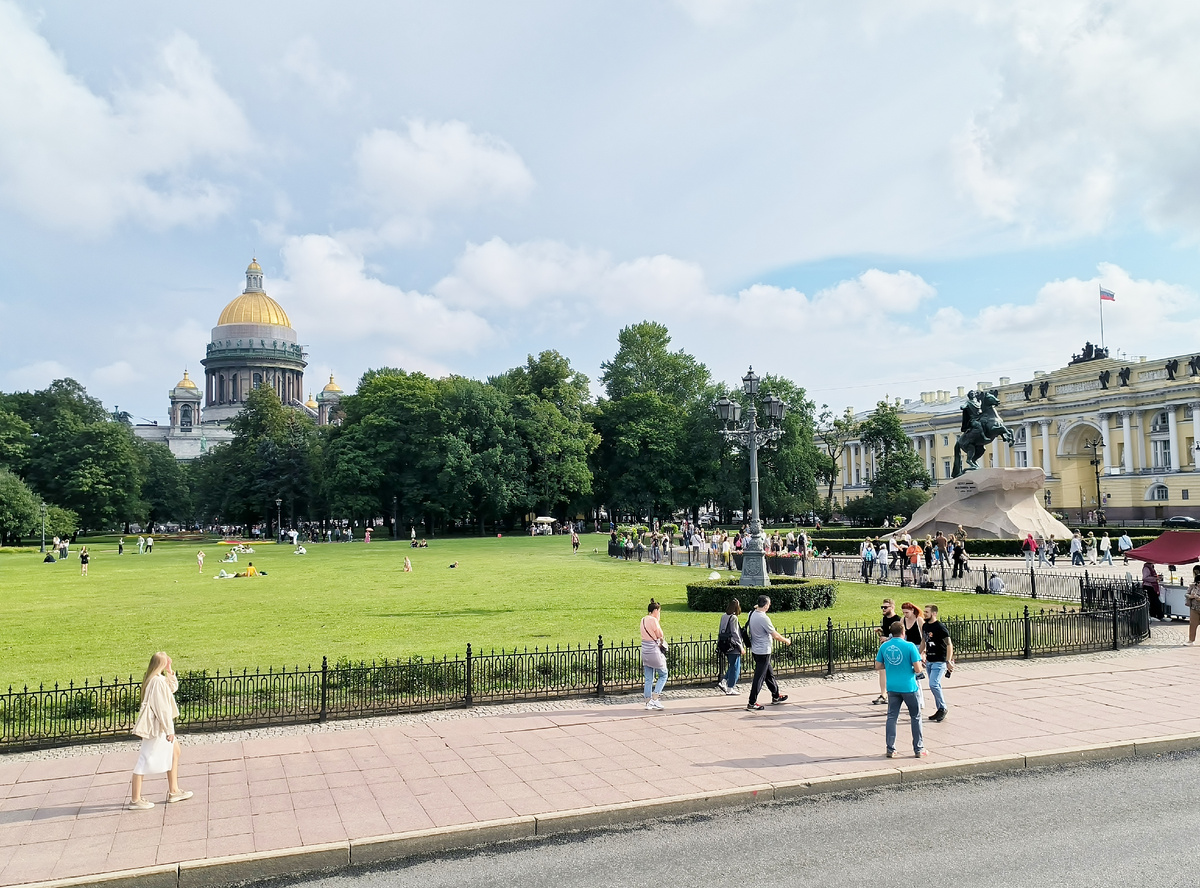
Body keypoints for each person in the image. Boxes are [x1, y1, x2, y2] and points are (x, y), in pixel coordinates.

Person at [128, 652, 192, 809]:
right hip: (158, 729)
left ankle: (174, 791)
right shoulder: (156, 682)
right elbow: (162, 708)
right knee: (144, 760)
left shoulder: (157, 679)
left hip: (160, 727)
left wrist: (170, 670)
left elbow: (172, 688)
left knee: (175, 752)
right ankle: (135, 799)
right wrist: (170, 730)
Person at [875, 622, 926, 759]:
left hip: (892, 686)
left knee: (892, 717)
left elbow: (878, 665)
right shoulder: (909, 646)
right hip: (909, 686)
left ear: (891, 633)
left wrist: (891, 666)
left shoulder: (884, 646)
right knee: (915, 716)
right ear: (903, 632)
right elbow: (917, 668)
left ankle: (890, 748)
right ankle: (918, 749)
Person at [745, 595, 791, 711]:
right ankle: (752, 702)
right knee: (759, 677)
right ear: (765, 606)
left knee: (769, 674)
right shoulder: (763, 618)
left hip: (756, 650)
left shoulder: (751, 613)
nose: (769, 606)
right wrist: (786, 640)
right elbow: (774, 635)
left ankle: (776, 696)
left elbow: (756, 607)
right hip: (763, 651)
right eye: (769, 605)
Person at [923, 604, 954, 722]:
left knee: (933, 684)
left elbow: (949, 644)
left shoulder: (940, 627)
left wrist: (948, 661)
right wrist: (916, 655)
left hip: (939, 661)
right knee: (935, 685)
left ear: (934, 613)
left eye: (927, 612)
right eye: (925, 611)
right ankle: (940, 709)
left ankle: (943, 708)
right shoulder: (925, 626)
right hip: (929, 660)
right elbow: (923, 642)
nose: (925, 614)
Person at [873, 599, 903, 705]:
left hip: (895, 649)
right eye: (882, 607)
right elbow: (887, 630)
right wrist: (881, 631)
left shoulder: (898, 620)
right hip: (885, 648)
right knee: (882, 670)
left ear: (892, 607)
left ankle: (897, 693)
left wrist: (887, 638)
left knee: (895, 671)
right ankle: (883, 694)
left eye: (885, 607)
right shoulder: (885, 619)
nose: (883, 609)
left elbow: (899, 635)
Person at [641, 599, 668, 710]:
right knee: (663, 674)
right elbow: (660, 635)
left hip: (645, 650)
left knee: (648, 678)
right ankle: (655, 698)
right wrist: (657, 620)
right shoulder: (653, 620)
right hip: (653, 650)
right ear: (656, 610)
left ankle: (648, 702)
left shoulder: (643, 619)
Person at [900, 602, 926, 709]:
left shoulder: (919, 619)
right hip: (908, 649)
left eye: (907, 612)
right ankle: (913, 700)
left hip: (918, 647)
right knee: (910, 675)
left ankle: (920, 701)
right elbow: (900, 635)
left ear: (912, 610)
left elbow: (924, 637)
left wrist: (923, 652)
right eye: (904, 612)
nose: (905, 614)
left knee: (917, 675)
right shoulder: (903, 620)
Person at [717, 599, 744, 695]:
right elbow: (735, 632)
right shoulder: (734, 618)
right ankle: (730, 687)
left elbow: (721, 630)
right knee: (736, 667)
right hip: (733, 645)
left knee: (732, 665)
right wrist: (740, 646)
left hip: (725, 644)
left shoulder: (724, 616)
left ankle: (724, 681)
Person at [1185, 565, 1200, 646]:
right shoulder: (1192, 586)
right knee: (1193, 624)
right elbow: (1186, 594)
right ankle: (1191, 640)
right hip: (1194, 608)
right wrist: (1190, 596)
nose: (1199, 584)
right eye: (1198, 583)